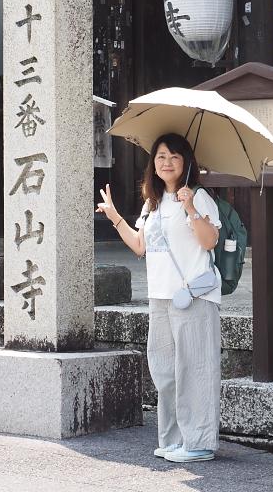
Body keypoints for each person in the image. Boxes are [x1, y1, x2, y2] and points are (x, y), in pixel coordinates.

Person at [96, 132, 221, 463]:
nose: (167, 162)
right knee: (165, 371)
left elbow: (209, 242)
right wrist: (114, 216)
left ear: (186, 163)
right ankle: (174, 439)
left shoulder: (200, 197)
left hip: (194, 296)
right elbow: (140, 246)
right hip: (161, 297)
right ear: (153, 163)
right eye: (161, 156)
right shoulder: (152, 203)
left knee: (195, 370)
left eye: (174, 156)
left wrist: (190, 207)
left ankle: (199, 443)